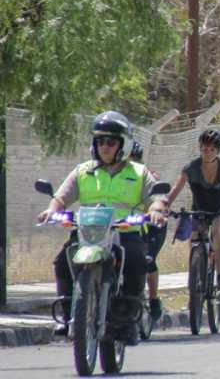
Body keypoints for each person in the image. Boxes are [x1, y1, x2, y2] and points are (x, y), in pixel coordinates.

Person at [37, 111, 168, 341]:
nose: (104, 147)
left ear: (124, 145)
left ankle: (129, 319)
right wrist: (51, 210)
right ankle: (69, 316)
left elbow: (156, 198)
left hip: (124, 232)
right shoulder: (83, 171)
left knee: (138, 260)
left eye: (110, 142)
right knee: (61, 262)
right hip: (88, 233)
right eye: (100, 141)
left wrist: (156, 210)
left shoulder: (139, 173)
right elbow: (61, 197)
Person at [167, 130, 220, 291]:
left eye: (211, 150)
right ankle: (195, 280)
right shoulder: (191, 168)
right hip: (199, 210)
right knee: (195, 239)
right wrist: (164, 206)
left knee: (217, 231)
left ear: (218, 151)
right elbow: (176, 188)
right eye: (204, 149)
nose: (207, 153)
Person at [129, 142, 169, 323]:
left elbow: (160, 199)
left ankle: (153, 299)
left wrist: (155, 212)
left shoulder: (148, 176)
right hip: (125, 226)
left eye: (134, 159)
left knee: (148, 260)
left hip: (151, 225)